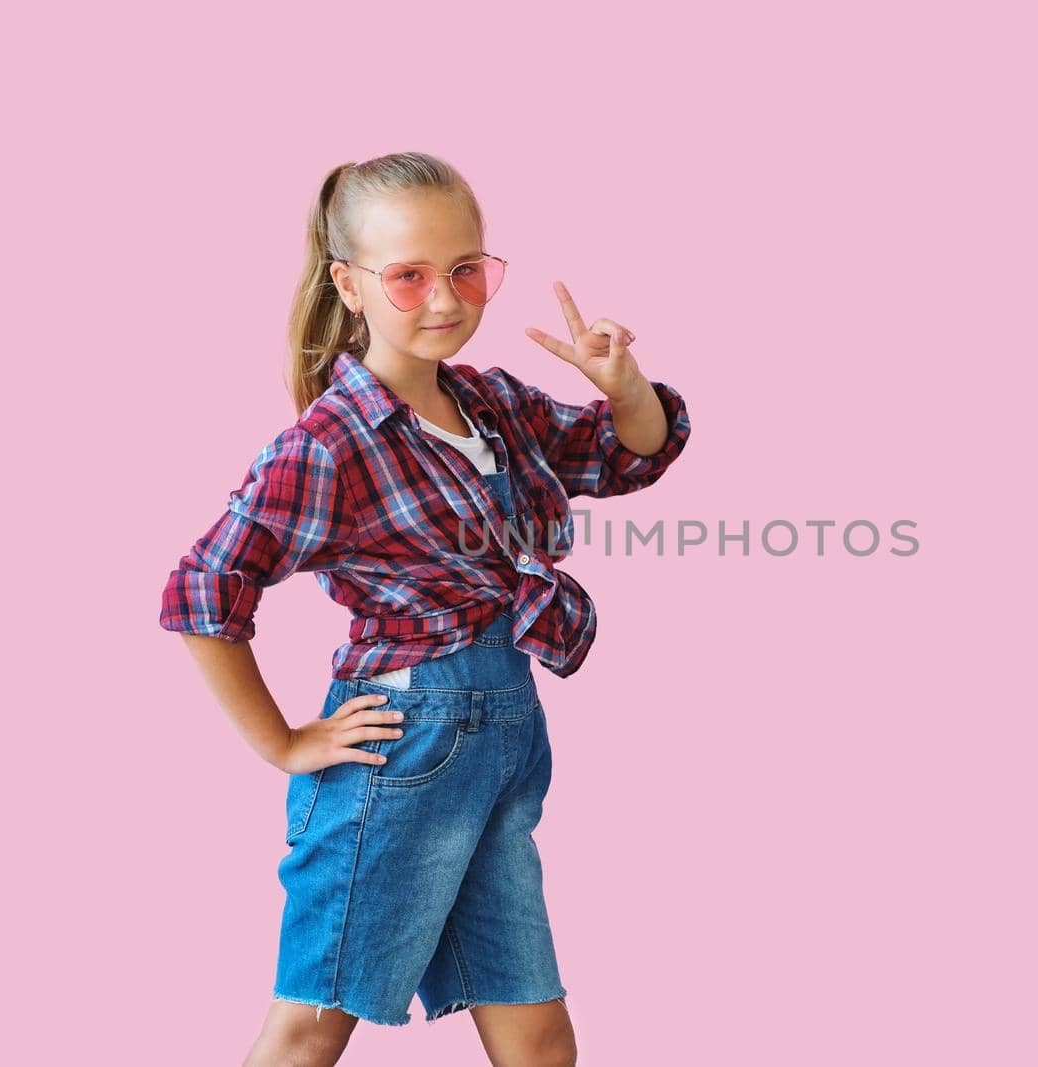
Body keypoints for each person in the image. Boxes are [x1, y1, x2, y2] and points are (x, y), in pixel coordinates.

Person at [157, 151, 691, 1066]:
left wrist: (623, 384)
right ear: (350, 286)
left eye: (466, 270)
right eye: (408, 276)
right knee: (309, 1030)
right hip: (406, 742)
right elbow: (204, 589)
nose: (445, 299)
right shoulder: (330, 441)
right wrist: (285, 742)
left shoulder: (490, 402)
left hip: (504, 738)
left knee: (539, 1036)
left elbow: (624, 455)